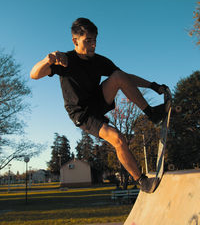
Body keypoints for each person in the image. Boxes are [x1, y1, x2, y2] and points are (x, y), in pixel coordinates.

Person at [30, 17, 169, 193]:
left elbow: (126, 77)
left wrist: (153, 85)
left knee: (118, 76)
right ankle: (141, 181)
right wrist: (47, 60)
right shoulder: (64, 60)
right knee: (118, 138)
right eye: (88, 41)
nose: (93, 45)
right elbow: (34, 74)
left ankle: (152, 114)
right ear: (75, 40)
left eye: (95, 40)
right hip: (83, 114)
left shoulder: (99, 60)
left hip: (98, 100)